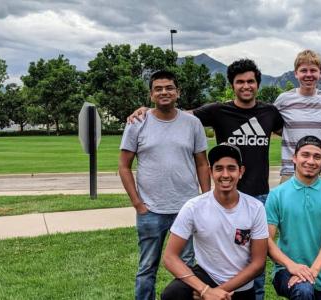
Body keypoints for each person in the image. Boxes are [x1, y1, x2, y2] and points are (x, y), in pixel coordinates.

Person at [128, 59, 284, 300]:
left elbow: (291, 134)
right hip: (224, 196)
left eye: (250, 81)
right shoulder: (217, 110)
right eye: (239, 81)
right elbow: (178, 113)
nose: (246, 86)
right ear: (232, 85)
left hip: (258, 195)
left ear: (258, 84)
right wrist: (148, 111)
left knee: (255, 265)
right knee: (215, 257)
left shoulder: (270, 113)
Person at [119, 70, 210, 300]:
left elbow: (202, 163)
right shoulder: (137, 123)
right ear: (151, 95)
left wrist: (206, 199)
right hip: (151, 210)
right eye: (158, 88)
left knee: (187, 268)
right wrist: (138, 204)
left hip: (186, 208)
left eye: (169, 87)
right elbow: (124, 166)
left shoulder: (192, 123)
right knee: (147, 267)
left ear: (177, 92)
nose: (164, 92)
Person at [161, 143, 268, 300]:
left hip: (240, 285)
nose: (225, 174)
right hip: (207, 276)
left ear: (241, 172)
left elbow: (258, 263)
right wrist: (204, 290)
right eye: (219, 168)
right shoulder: (194, 207)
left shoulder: (255, 208)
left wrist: (216, 292)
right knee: (173, 294)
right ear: (211, 172)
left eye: (231, 168)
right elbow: (170, 257)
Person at [266, 135, 321, 300]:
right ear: (294, 158)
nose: (311, 161)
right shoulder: (277, 195)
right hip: (285, 270)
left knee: (308, 288)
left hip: (320, 274)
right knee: (303, 290)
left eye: (317, 157)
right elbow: (266, 239)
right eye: (305, 155)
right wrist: (292, 266)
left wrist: (313, 272)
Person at [274, 50, 321, 183]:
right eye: (303, 70)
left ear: (320, 73)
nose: (308, 75)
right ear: (296, 73)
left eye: (313, 70)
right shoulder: (284, 100)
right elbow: (268, 123)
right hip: (291, 171)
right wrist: (287, 133)